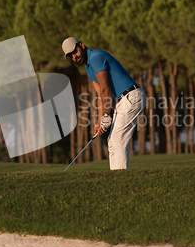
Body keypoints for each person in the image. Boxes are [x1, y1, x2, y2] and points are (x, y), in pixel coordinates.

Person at [62, 37, 147, 170]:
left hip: (131, 96)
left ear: (82, 45)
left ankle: (120, 179)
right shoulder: (88, 67)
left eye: (74, 51)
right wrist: (100, 121)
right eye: (70, 56)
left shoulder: (96, 57)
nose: (74, 57)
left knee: (118, 140)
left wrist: (106, 115)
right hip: (124, 99)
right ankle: (115, 177)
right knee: (112, 142)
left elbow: (105, 89)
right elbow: (101, 95)